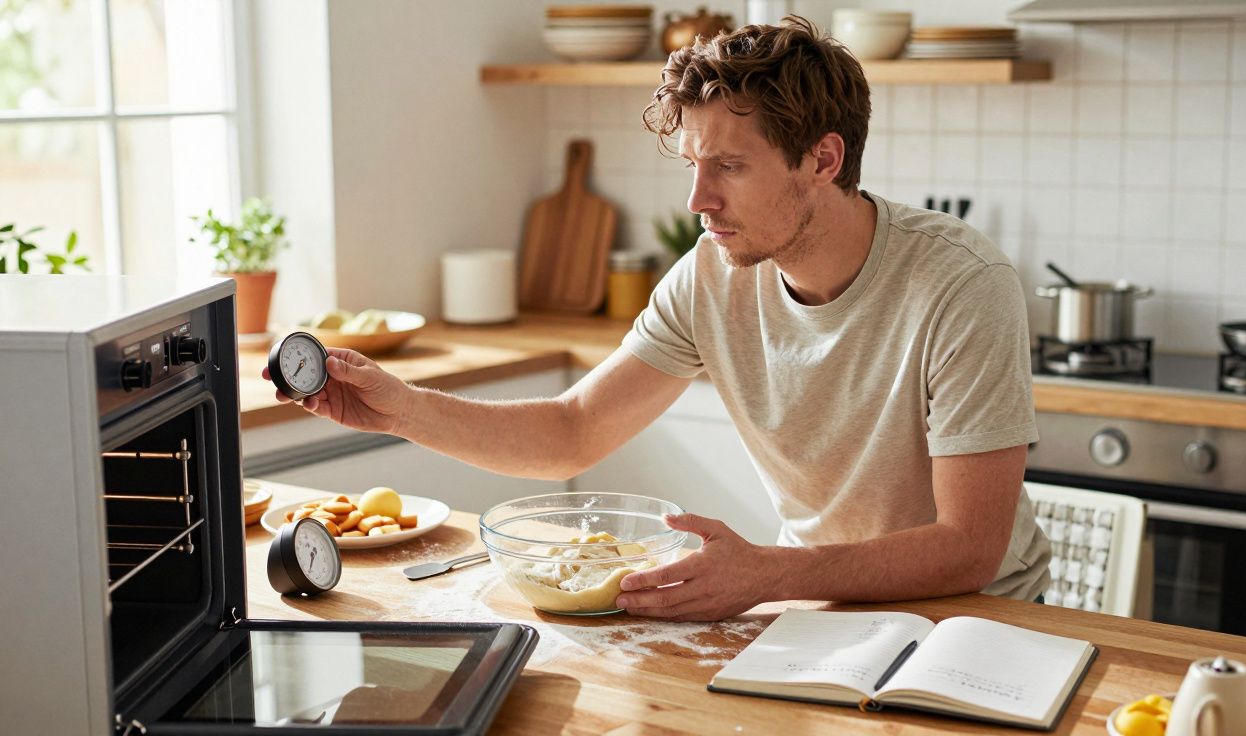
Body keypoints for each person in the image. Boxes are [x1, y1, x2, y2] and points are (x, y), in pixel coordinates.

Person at [264, 17, 1050, 622]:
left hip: (982, 623)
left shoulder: (960, 285)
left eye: (730, 168)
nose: (697, 201)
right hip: (822, 615)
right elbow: (574, 432)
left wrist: (770, 573)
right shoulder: (713, 275)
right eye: (692, 166)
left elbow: (968, 549)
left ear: (823, 159)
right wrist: (404, 409)